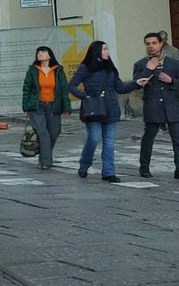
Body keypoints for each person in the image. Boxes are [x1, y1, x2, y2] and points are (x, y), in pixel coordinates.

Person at [68, 41, 141, 183]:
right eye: (105, 49)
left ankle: (108, 172)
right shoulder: (85, 68)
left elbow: (120, 88)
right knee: (94, 138)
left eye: (107, 49)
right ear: (97, 52)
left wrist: (136, 83)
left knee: (109, 142)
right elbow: (71, 85)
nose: (108, 52)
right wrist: (85, 96)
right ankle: (84, 164)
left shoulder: (111, 69)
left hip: (110, 108)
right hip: (93, 109)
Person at [133, 33, 179, 178]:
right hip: (152, 105)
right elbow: (136, 83)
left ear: (160, 44)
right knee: (148, 138)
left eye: (154, 43)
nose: (151, 46)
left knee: (177, 139)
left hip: (171, 105)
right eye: (148, 43)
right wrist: (148, 71)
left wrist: (171, 80)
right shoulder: (140, 64)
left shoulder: (173, 63)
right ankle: (144, 167)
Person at [21, 46, 71, 170]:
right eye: (38, 53)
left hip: (54, 106)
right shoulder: (33, 70)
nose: (40, 54)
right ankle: (45, 162)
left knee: (54, 132)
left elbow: (64, 89)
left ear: (49, 55)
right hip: (37, 106)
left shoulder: (58, 70)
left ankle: (44, 153)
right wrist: (26, 107)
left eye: (43, 52)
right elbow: (26, 88)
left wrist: (66, 107)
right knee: (43, 133)